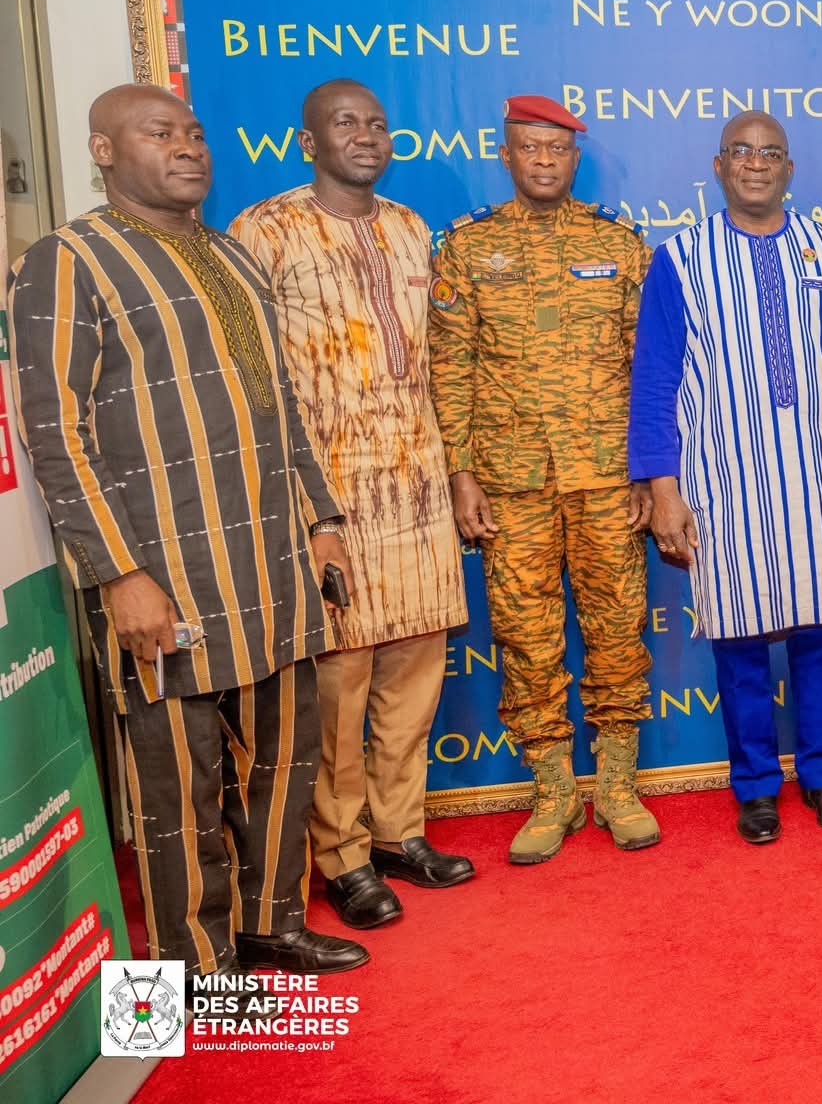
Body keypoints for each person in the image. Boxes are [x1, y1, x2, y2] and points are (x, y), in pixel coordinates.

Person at [10, 85, 365, 973]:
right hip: (164, 571)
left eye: (195, 133)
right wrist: (117, 574)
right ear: (103, 152)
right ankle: (198, 964)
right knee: (182, 784)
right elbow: (55, 433)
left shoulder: (232, 256)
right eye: (159, 134)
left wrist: (321, 519)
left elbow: (284, 405)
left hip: (273, 561)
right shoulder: (68, 260)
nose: (187, 148)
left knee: (287, 760)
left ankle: (272, 922)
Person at [227, 79, 475, 931]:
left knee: (414, 675)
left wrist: (455, 474)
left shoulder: (411, 228)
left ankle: (402, 832)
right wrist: (301, 507)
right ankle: (342, 856)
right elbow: (250, 379)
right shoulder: (265, 230)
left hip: (417, 485)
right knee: (339, 686)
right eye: (344, 124)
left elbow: (438, 359)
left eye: (375, 124)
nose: (364, 136)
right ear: (308, 140)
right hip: (325, 496)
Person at [631, 113, 822, 844]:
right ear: (718, 167)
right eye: (741, 152)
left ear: (790, 169)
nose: (756, 163)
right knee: (740, 646)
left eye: (771, 153)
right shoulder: (681, 259)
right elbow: (655, 381)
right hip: (726, 479)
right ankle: (755, 787)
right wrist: (663, 488)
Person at [430, 94, 657, 863]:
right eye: (531, 148)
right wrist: (459, 471)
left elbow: (648, 368)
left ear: (575, 157)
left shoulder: (620, 245)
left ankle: (619, 786)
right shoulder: (467, 249)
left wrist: (649, 475)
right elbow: (451, 368)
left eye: (558, 149)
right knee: (527, 640)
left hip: (606, 478)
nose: (546, 161)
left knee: (618, 633)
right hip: (510, 482)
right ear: (507, 154)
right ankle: (554, 792)